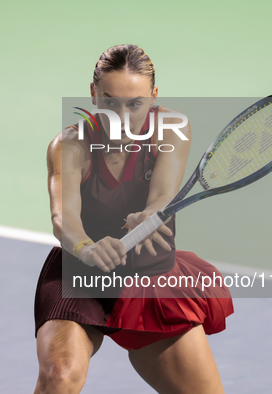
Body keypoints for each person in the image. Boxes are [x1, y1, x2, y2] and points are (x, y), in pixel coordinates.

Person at [33, 44, 234, 394]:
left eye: (135, 104)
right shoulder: (69, 146)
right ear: (94, 94)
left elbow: (162, 194)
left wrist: (150, 215)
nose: (121, 117)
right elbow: (63, 217)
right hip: (81, 278)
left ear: (154, 96)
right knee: (60, 378)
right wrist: (86, 248)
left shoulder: (172, 129)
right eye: (110, 102)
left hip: (149, 279)